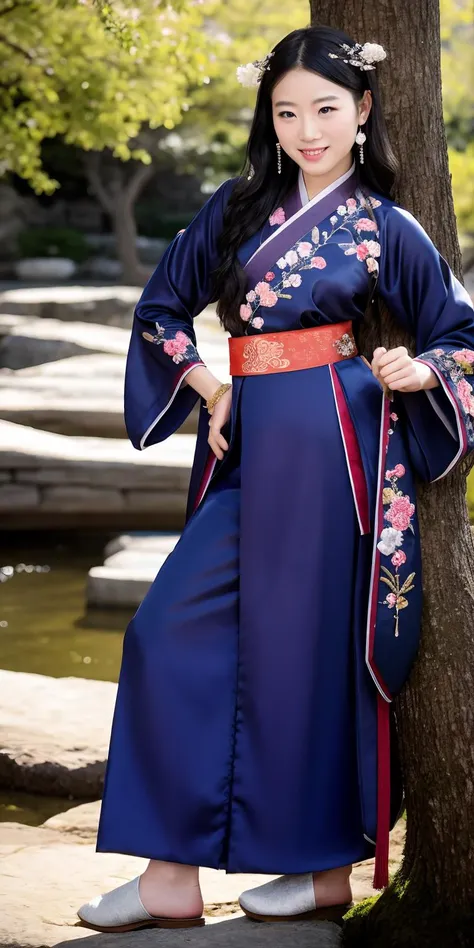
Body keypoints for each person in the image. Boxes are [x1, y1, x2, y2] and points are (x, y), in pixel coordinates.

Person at [77, 25, 474, 933]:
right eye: (287, 111)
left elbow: (465, 337)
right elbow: (160, 310)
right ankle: (168, 874)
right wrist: (211, 384)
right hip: (247, 441)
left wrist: (423, 370)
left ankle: (323, 871)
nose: (306, 129)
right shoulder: (234, 206)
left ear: (364, 111)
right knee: (164, 633)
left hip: (341, 444)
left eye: (326, 110)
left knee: (308, 661)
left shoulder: (386, 225)